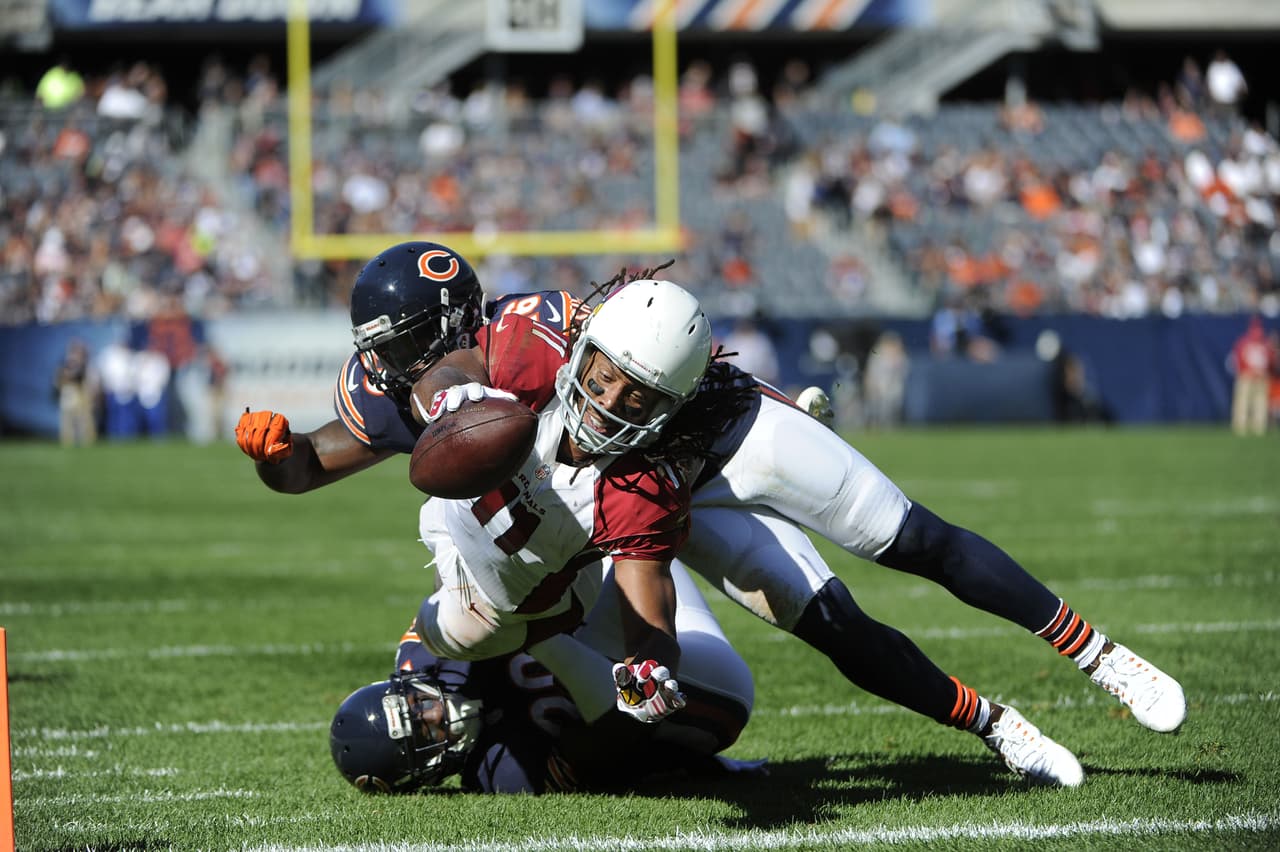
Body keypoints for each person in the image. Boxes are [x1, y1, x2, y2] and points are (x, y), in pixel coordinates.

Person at [239, 241, 1186, 788]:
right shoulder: (405, 397)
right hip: (644, 489)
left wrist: (754, 401)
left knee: (910, 536)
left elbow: (661, 348)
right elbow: (315, 464)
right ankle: (995, 726)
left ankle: (1098, 653)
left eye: (402, 342)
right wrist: (277, 456)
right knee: (830, 622)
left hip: (717, 435)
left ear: (452, 328)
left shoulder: (536, 340)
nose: (385, 362)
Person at [330, 562, 758, 794]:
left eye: (415, 704)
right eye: (425, 730)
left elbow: (459, 576)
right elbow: (618, 729)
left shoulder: (423, 657)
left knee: (615, 526)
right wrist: (537, 638)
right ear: (427, 772)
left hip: (622, 620)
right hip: (699, 696)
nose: (433, 713)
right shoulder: (499, 773)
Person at [1228, 315, 1277, 436]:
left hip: (1251, 375)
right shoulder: (1263, 343)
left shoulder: (1246, 342)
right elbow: (1271, 360)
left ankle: (1246, 426)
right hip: (1255, 375)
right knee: (1254, 402)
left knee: (1250, 402)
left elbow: (1237, 359)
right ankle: (1254, 426)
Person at [53, 339, 98, 446]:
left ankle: (88, 444)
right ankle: (67, 444)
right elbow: (58, 382)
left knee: (85, 425)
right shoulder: (64, 366)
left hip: (81, 398)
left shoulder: (86, 366)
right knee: (67, 425)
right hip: (68, 396)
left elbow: (89, 383)